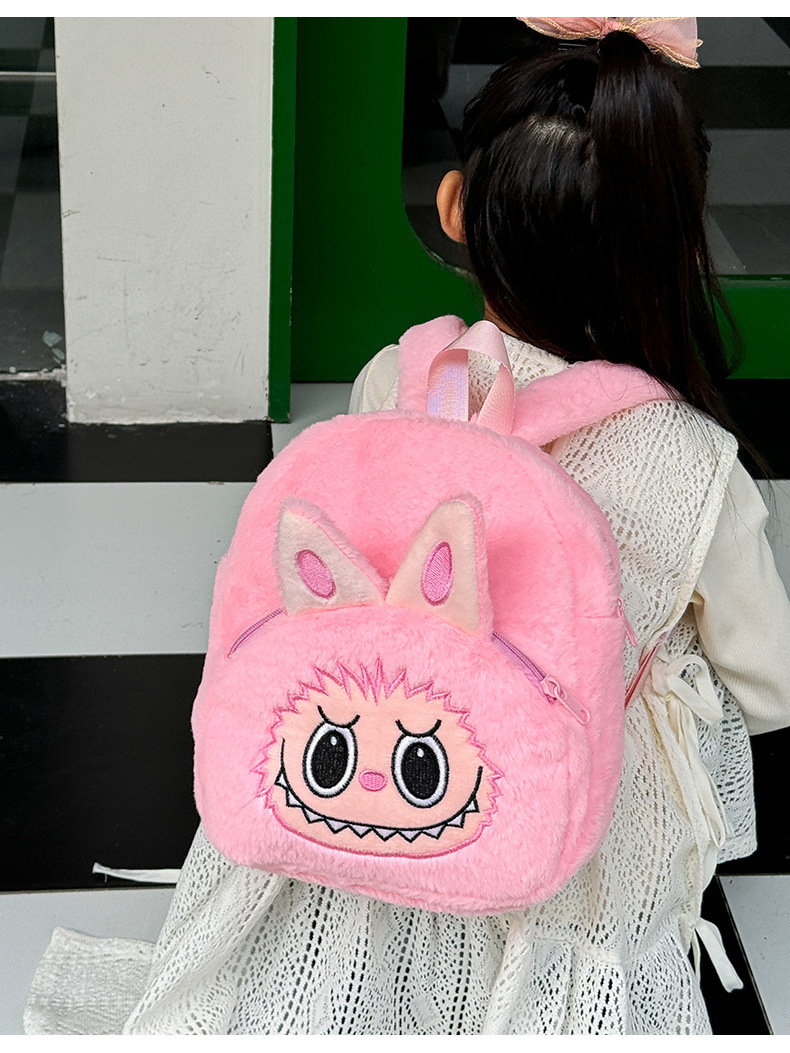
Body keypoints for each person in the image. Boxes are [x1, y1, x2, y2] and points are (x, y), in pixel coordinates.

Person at [25, 18, 790, 1036]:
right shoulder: (693, 461)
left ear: (454, 208)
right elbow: (767, 684)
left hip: (375, 765)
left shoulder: (399, 377)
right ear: (677, 244)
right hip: (565, 832)